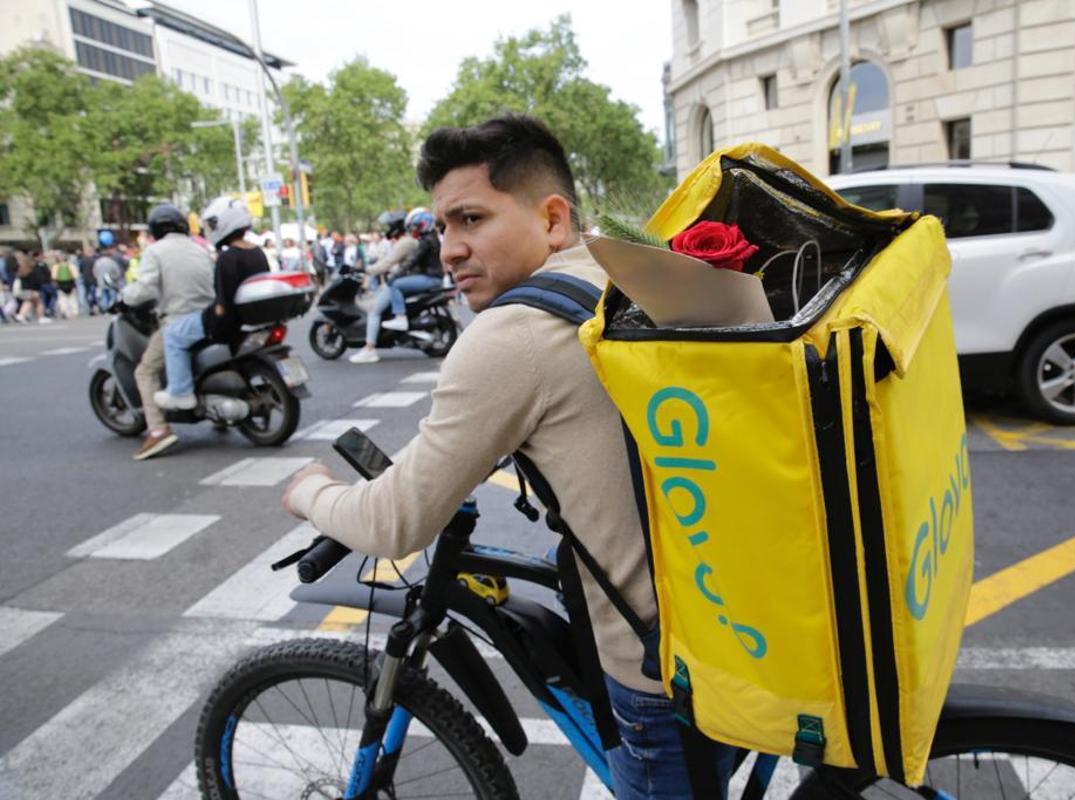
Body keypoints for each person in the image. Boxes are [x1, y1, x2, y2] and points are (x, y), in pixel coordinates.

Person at [282, 115, 738, 798]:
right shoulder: (619, 273)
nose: (448, 251)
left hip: (661, 675)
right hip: (737, 627)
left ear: (553, 219)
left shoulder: (513, 336)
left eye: (470, 219)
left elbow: (393, 524)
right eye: (441, 228)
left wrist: (308, 491)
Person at [155, 196, 268, 412]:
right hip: (249, 319)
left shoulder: (227, 258)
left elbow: (221, 303)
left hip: (225, 323)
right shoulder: (257, 252)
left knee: (173, 334)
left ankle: (180, 392)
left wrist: (214, 313)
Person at [123, 204, 216, 461]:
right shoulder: (200, 250)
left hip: (177, 319)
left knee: (145, 371)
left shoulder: (155, 252)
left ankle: (158, 429)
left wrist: (125, 296)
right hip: (207, 319)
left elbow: (145, 289)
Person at [348, 212, 420, 364]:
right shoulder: (406, 241)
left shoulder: (405, 243)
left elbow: (388, 263)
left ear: (395, 227)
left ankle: (369, 349)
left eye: (389, 226)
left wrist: (366, 270)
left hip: (402, 280)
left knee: (374, 310)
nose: (387, 229)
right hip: (405, 278)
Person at [379, 208, 443, 333]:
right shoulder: (432, 238)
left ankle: (400, 317)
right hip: (434, 277)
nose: (414, 230)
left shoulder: (426, 241)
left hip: (431, 278)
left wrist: (396, 275)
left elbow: (412, 261)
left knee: (395, 285)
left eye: (416, 226)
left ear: (424, 224)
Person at [93, 232, 125, 311]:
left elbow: (95, 272)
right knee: (112, 294)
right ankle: (112, 306)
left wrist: (98, 278)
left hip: (102, 281)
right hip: (111, 281)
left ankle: (105, 307)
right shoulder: (112, 261)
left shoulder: (98, 262)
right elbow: (117, 271)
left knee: (104, 294)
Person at [77, 245, 98, 315]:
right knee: (93, 293)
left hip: (85, 279)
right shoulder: (93, 261)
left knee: (88, 293)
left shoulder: (82, 261)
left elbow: (80, 270)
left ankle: (90, 306)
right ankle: (93, 304)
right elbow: (95, 270)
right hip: (92, 279)